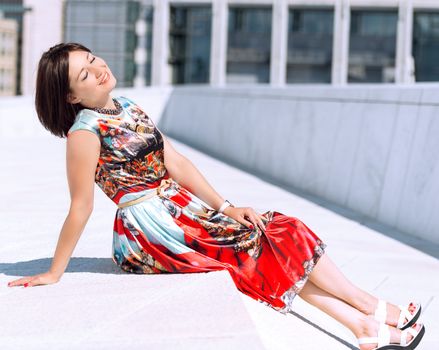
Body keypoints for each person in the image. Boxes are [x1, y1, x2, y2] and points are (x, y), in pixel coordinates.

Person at [7, 43, 425, 350]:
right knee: (256, 248)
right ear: (70, 96)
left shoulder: (128, 106)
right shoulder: (84, 132)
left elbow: (176, 161)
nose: (98, 69)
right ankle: (369, 311)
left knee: (275, 228)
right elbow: (80, 206)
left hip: (179, 209)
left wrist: (226, 206)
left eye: (93, 59)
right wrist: (54, 272)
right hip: (148, 231)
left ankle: (363, 323)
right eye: (85, 74)